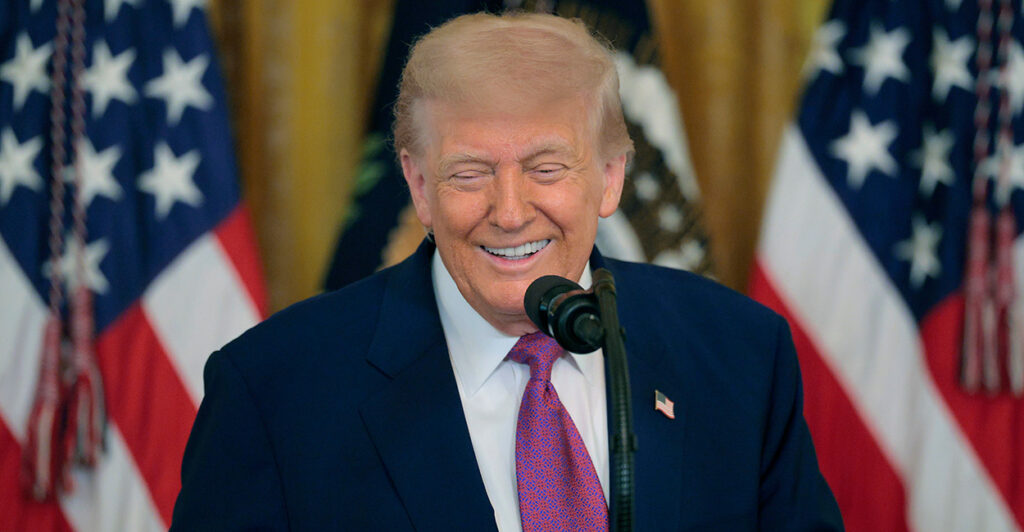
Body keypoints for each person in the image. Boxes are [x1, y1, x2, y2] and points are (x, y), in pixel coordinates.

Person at [170, 12, 842, 531]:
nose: (511, 212)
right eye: (470, 174)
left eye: (547, 169)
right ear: (419, 184)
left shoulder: (739, 356)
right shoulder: (275, 393)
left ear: (610, 178)